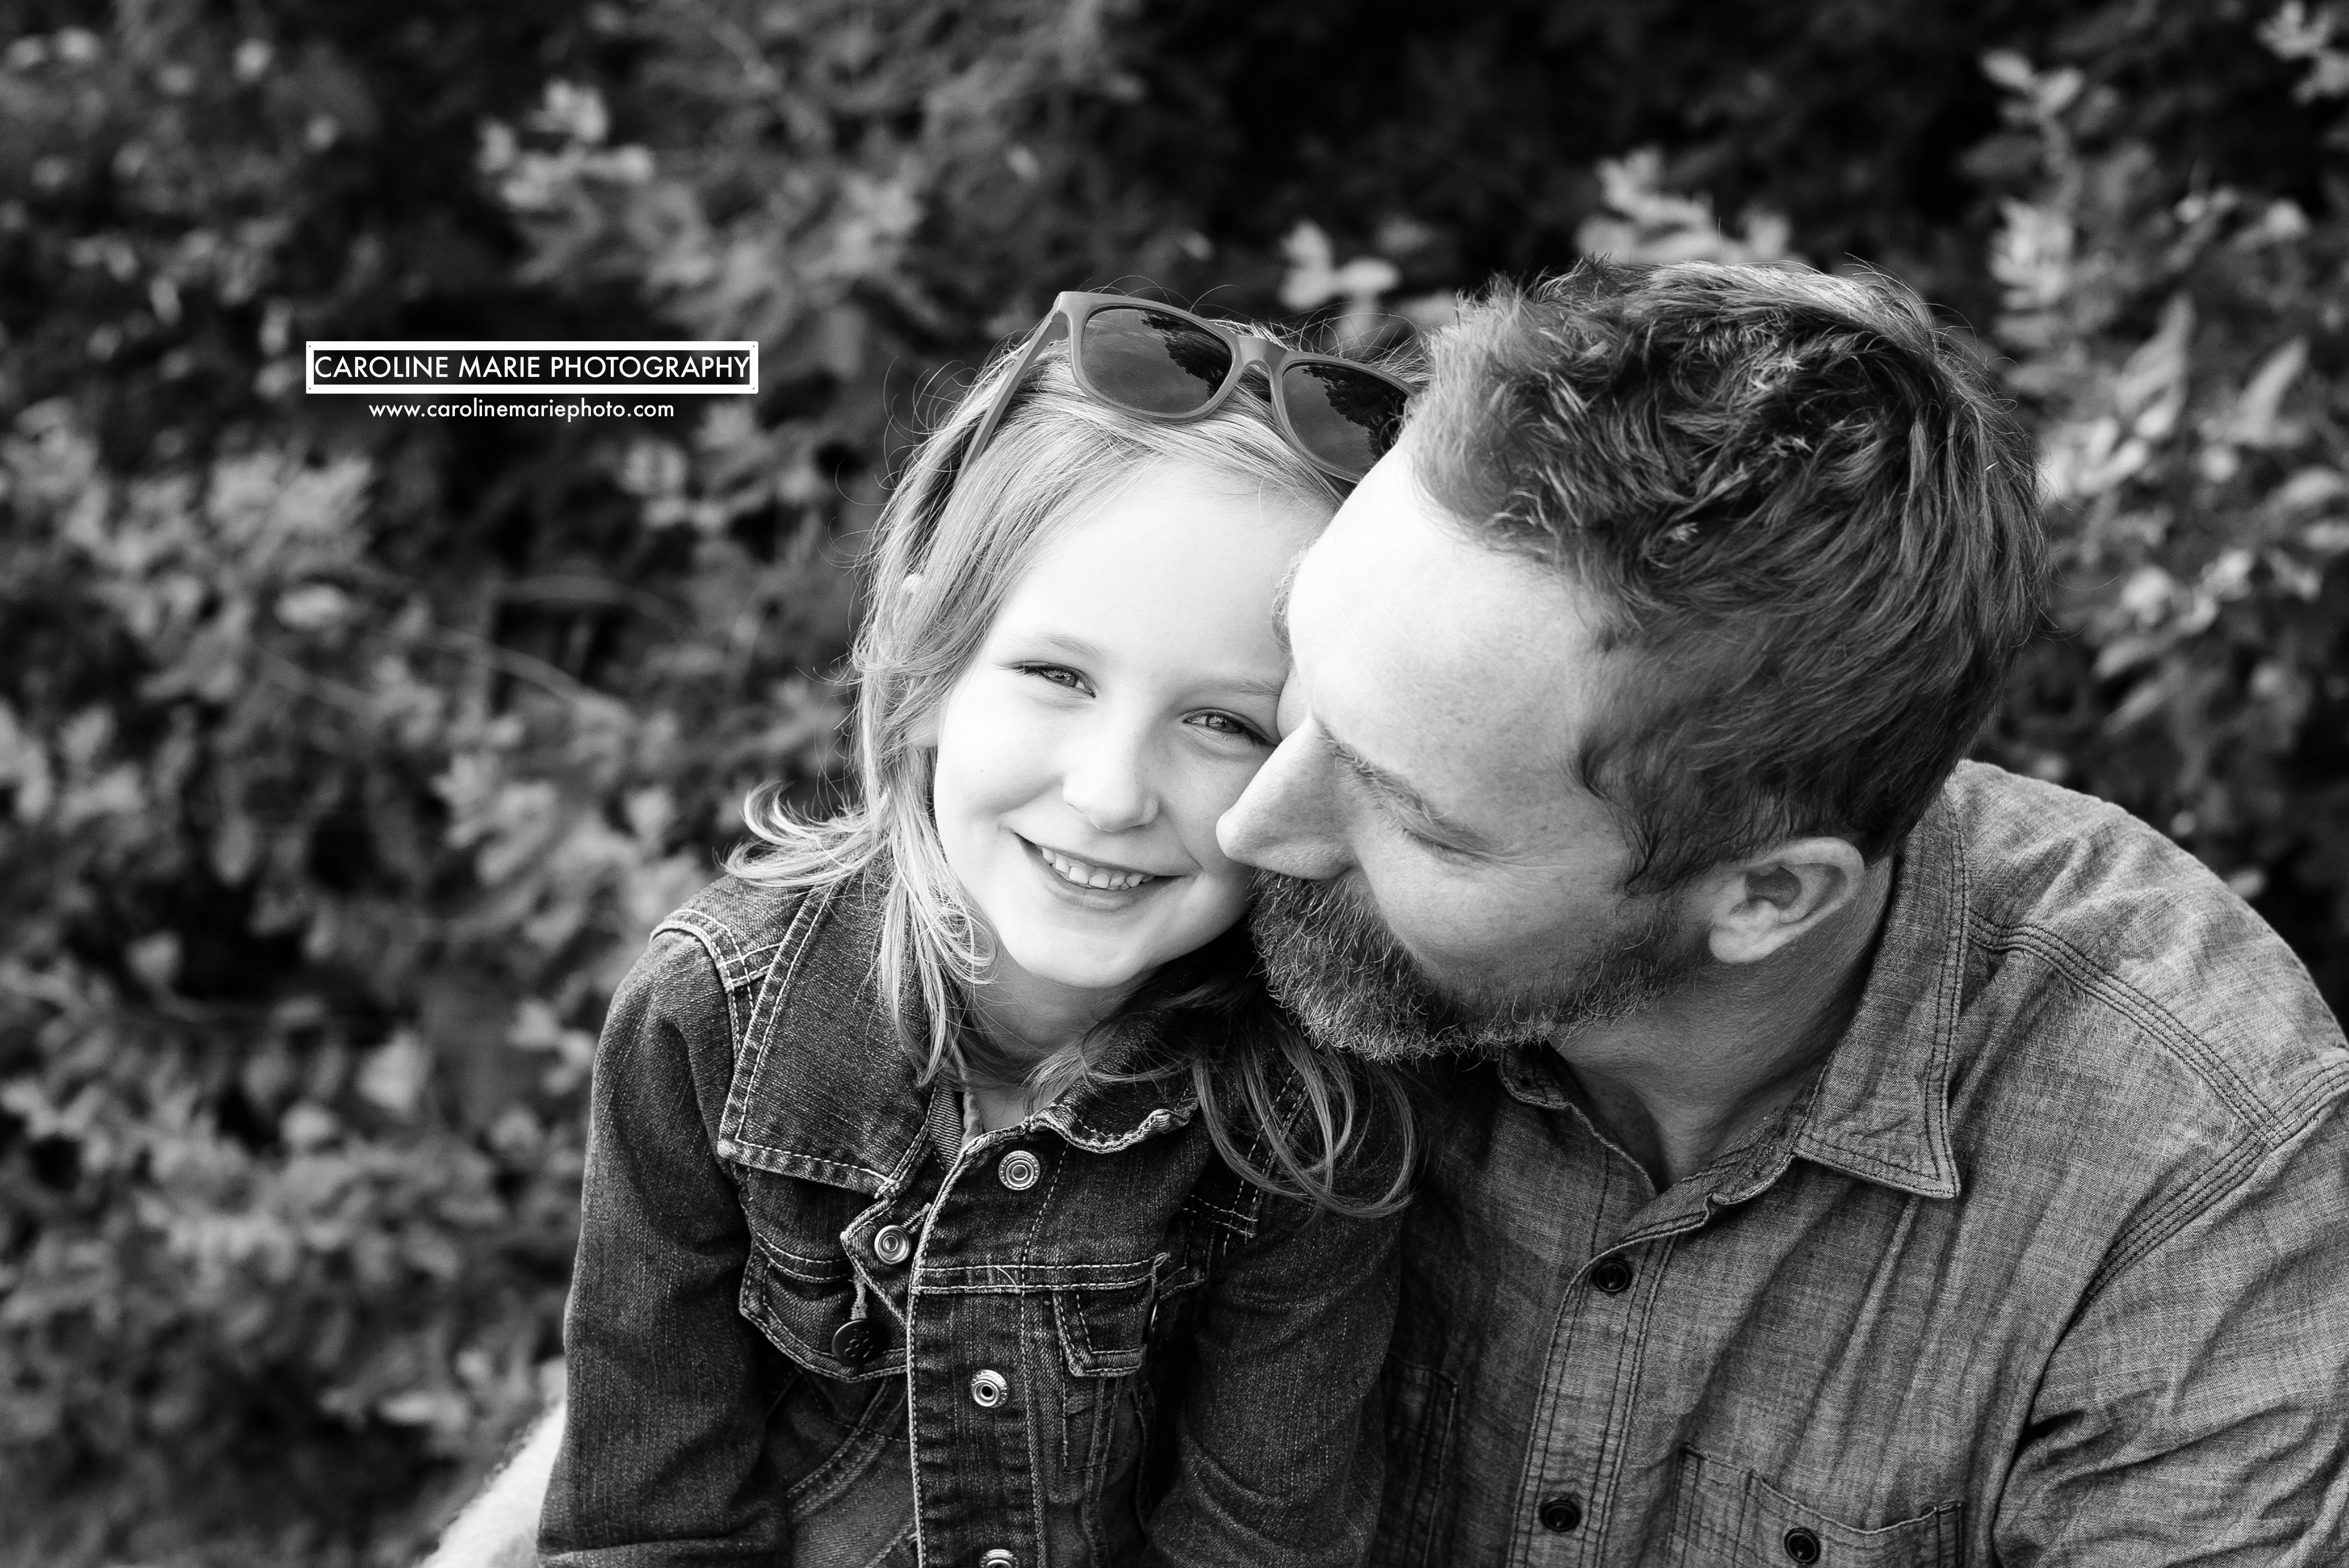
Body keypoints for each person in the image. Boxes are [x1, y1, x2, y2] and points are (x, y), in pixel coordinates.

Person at [1217, 259, 2349, 1564]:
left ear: (1769, 896)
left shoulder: (2196, 1174)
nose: (1250, 825)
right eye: (1295, 676)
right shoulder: (1175, 861)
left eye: (1413, 817)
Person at [536, 295, 1417, 1568]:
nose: (1111, 794)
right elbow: (646, 1524)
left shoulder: (1308, 1117)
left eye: (1225, 723)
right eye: (1058, 676)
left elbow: (1256, 1541)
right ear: (923, 654)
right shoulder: (710, 1020)